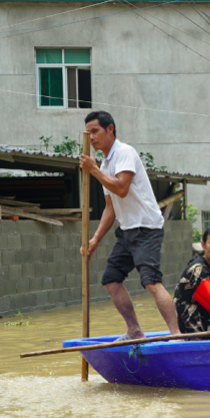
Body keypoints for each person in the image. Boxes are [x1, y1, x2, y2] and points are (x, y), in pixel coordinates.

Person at [79, 110, 180, 340]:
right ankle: (134, 331)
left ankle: (176, 335)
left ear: (110, 129)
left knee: (151, 283)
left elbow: (121, 188)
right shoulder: (104, 165)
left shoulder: (124, 152)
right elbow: (111, 207)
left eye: (95, 131)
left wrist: (93, 169)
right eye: (88, 133)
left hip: (146, 227)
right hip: (127, 230)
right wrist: (94, 240)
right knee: (110, 280)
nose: (91, 137)